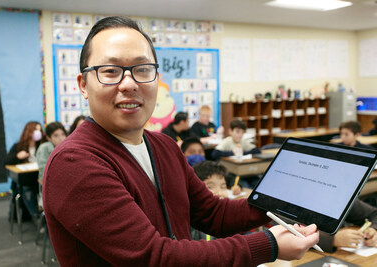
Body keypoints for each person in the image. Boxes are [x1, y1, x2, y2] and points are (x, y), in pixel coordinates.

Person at [43, 16, 319, 266]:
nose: (129, 84)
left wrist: (278, 202)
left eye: (142, 69)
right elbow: (155, 257)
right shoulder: (74, 162)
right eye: (111, 71)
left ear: (157, 79)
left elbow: (213, 213)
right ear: (82, 85)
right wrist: (269, 244)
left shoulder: (164, 147)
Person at [6, 121, 44, 219]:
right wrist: (17, 156)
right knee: (27, 190)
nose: (38, 132)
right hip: (27, 180)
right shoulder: (18, 147)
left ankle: (45, 215)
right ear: (29, 132)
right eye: (35, 130)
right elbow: (6, 161)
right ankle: (35, 216)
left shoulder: (42, 146)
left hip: (41, 178)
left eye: (39, 130)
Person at [190, 161, 229, 241]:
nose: (219, 193)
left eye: (223, 187)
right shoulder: (194, 225)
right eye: (210, 187)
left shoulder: (227, 215)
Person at [36, 122, 67, 209]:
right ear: (48, 138)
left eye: (63, 134)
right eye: (56, 136)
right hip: (51, 186)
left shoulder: (68, 146)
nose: (61, 138)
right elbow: (44, 170)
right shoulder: (44, 148)